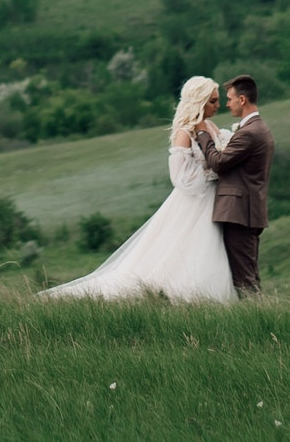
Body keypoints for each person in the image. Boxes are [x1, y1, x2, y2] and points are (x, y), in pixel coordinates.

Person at [39, 76, 236, 303]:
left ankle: (208, 299)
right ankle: (186, 297)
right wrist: (213, 171)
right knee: (189, 248)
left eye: (218, 100)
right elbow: (180, 179)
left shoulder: (211, 126)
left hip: (212, 199)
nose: (218, 105)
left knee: (210, 250)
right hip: (194, 201)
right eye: (213, 101)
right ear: (199, 102)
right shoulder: (185, 133)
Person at [192, 73, 272, 294]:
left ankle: (257, 324)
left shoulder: (249, 133)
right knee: (249, 275)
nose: (227, 104)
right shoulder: (258, 129)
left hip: (239, 213)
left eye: (229, 99)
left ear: (242, 100)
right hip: (248, 211)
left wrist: (202, 132)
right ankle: (259, 320)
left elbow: (218, 162)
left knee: (244, 280)